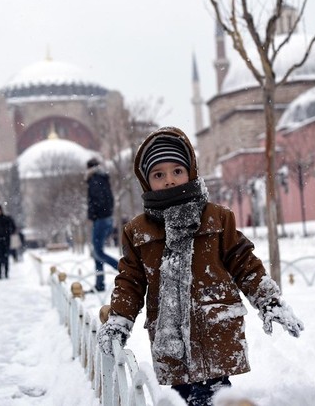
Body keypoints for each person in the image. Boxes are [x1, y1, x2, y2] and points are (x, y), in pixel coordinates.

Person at [97, 127, 303, 406]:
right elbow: (130, 281)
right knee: (182, 398)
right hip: (170, 340)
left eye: (177, 171)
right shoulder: (138, 231)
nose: (169, 180)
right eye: (159, 174)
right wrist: (120, 320)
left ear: (190, 171)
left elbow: (244, 263)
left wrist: (268, 300)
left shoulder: (217, 218)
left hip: (214, 330)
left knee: (214, 397)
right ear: (146, 182)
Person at [85, 157, 119, 292]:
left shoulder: (95, 179)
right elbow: (108, 199)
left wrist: (94, 214)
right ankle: (99, 284)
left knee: (98, 252)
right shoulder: (102, 178)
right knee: (97, 253)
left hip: (101, 219)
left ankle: (124, 269)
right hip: (106, 218)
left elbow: (98, 200)